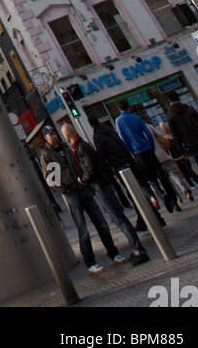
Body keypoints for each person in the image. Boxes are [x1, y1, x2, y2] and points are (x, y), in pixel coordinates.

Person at [40, 124, 127, 274]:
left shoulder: (67, 149)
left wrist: (83, 181)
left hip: (84, 189)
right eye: (50, 134)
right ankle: (90, 262)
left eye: (54, 133)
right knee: (83, 229)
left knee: (101, 223)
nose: (53, 136)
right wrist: (64, 189)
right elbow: (51, 179)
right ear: (46, 138)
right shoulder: (47, 155)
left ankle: (113, 252)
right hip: (72, 194)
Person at [60, 123, 148, 266]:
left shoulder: (80, 147)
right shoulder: (77, 147)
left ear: (67, 134)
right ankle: (134, 248)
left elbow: (91, 167)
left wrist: (82, 179)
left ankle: (137, 248)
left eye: (63, 133)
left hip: (99, 186)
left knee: (117, 218)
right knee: (114, 218)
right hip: (93, 187)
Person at [115, 102, 180, 214]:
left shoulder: (119, 121)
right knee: (161, 175)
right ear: (128, 107)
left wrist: (131, 152)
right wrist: (151, 145)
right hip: (148, 149)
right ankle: (173, 198)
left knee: (151, 178)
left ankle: (161, 194)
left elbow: (123, 138)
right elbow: (148, 134)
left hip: (137, 153)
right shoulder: (136, 118)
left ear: (119, 109)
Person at [91, 117, 150, 230]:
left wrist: (106, 170)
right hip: (128, 162)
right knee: (136, 190)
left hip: (119, 166)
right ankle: (149, 215)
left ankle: (147, 218)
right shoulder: (110, 130)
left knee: (133, 193)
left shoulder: (98, 136)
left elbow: (102, 155)